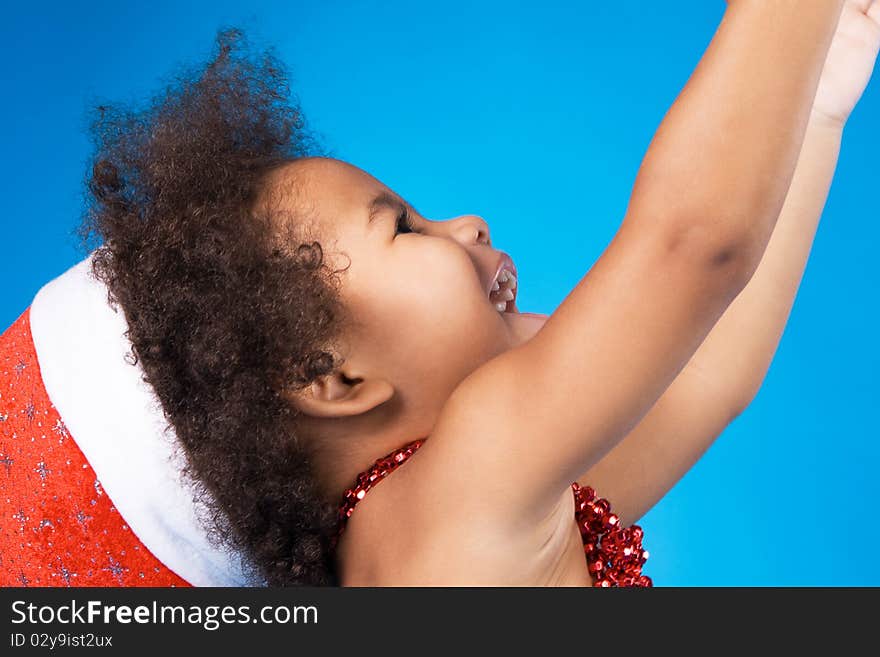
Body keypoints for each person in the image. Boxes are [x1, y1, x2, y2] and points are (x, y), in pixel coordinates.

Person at [2, 0, 876, 587]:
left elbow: (702, 377)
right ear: (331, 377)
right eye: (406, 229)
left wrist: (822, 97)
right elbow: (692, 248)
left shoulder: (448, 530)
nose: (467, 222)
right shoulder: (470, 488)